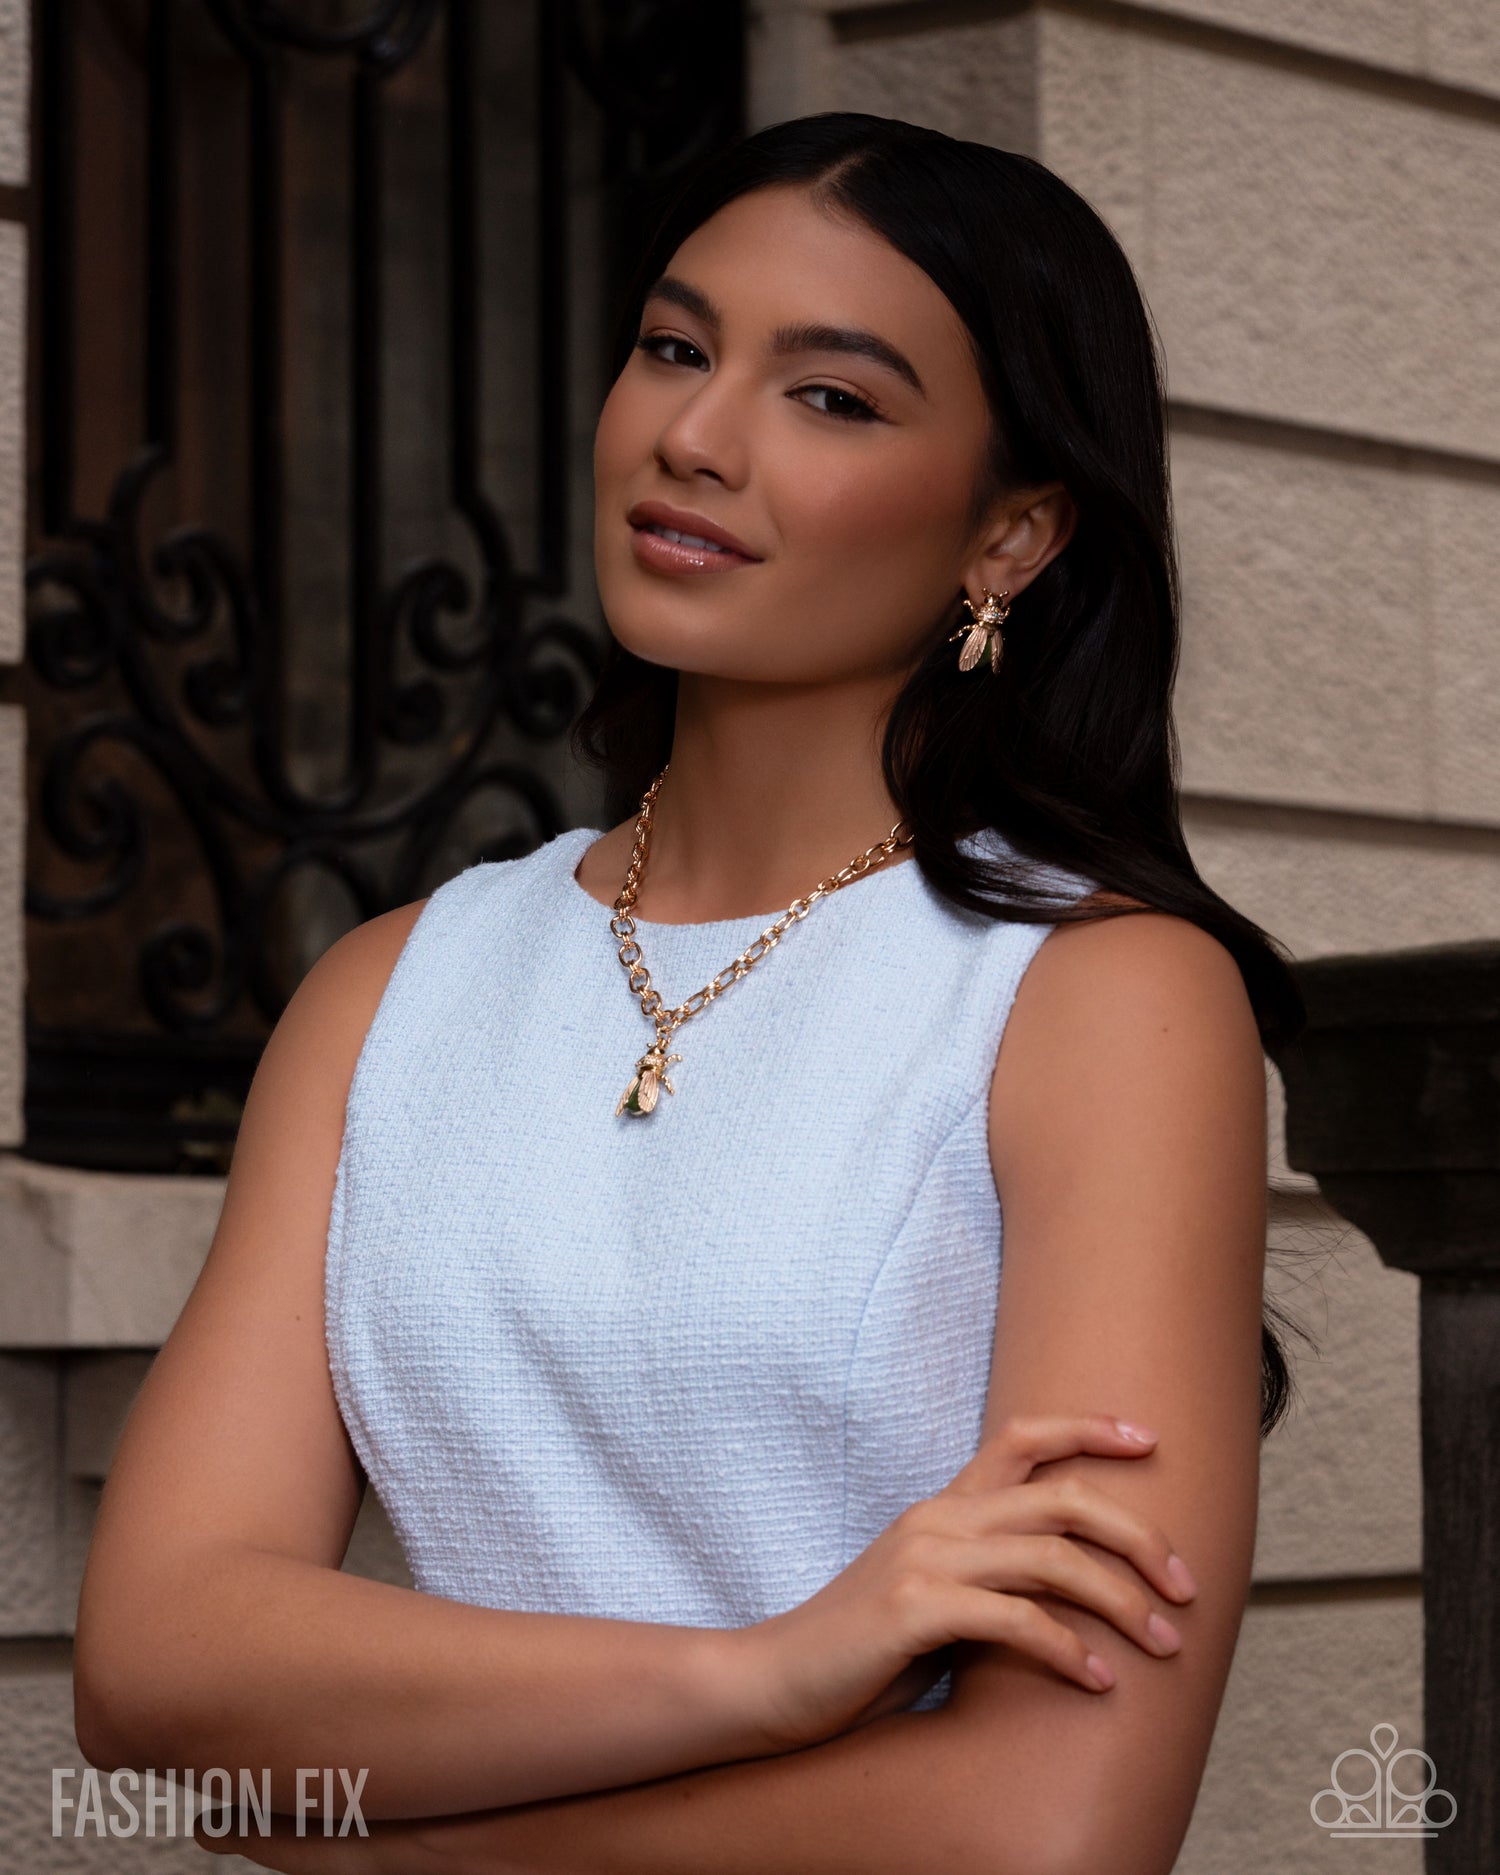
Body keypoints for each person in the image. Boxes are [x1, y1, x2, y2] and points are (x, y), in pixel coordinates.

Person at [72, 111, 1306, 1873]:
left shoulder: (1102, 997)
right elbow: (156, 1663)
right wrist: (778, 1673)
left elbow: (1048, 1828)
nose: (695, 437)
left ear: (1013, 537)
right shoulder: (391, 991)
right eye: (673, 347)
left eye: (832, 397)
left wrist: (391, 1846)